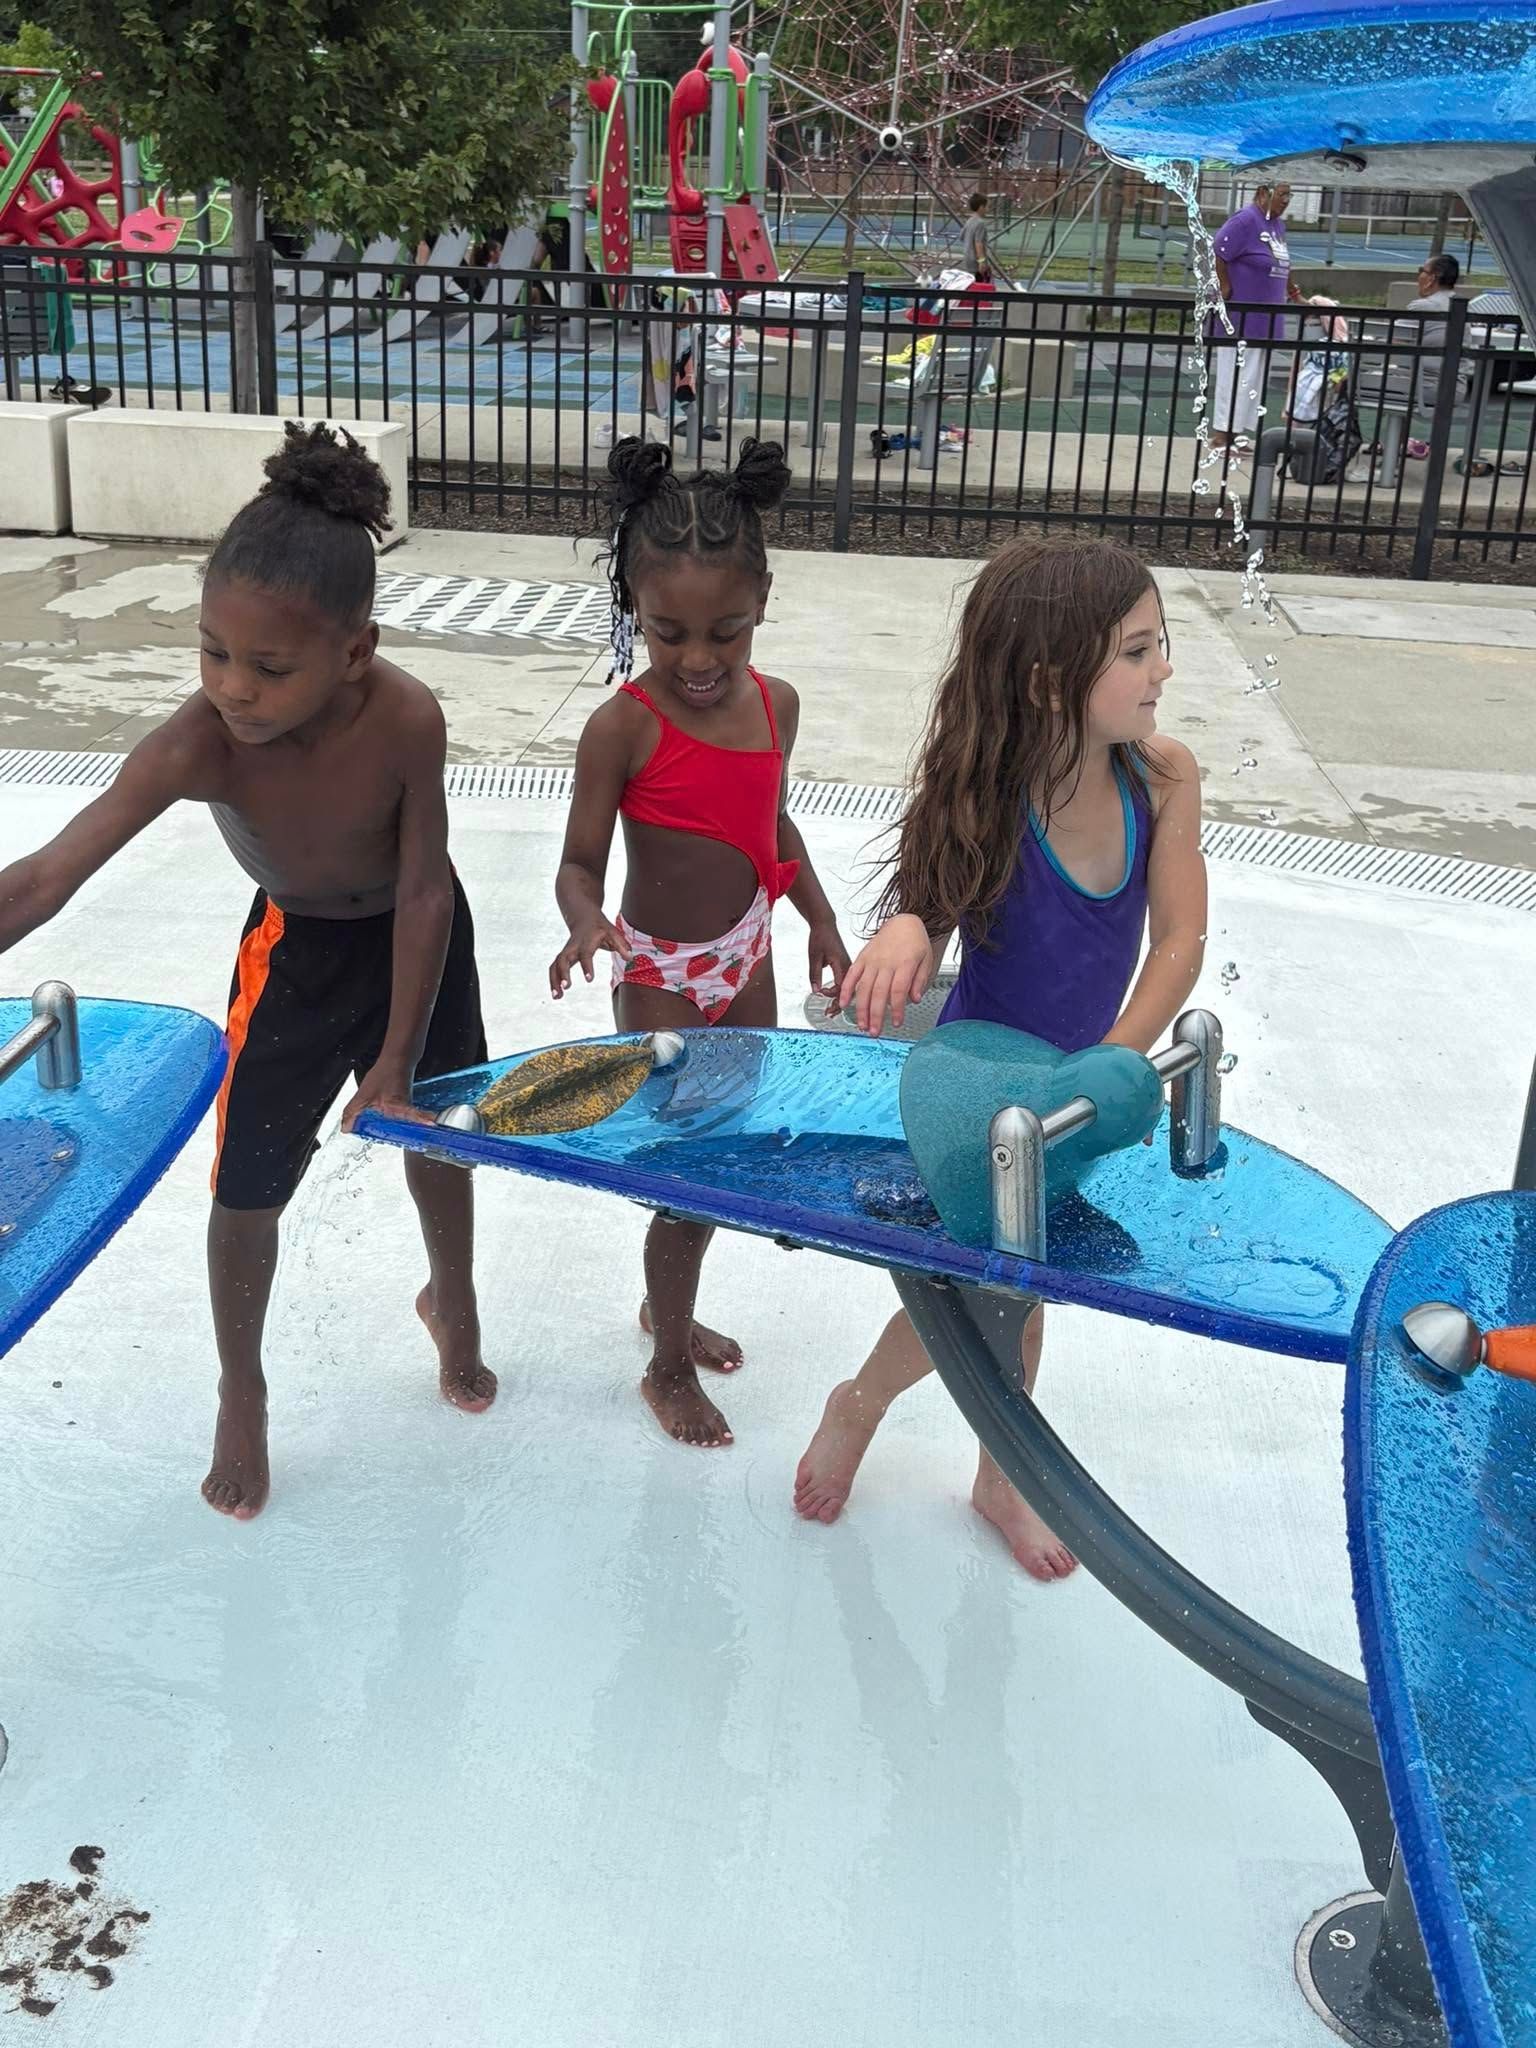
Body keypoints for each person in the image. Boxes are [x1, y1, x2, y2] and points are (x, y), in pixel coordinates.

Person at [0, 424, 495, 1521]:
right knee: (245, 1188)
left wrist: (400, 1053)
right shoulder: (199, 744)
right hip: (297, 952)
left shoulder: (409, 718)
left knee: (435, 1138)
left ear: (354, 652)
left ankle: (452, 1296)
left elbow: (423, 889)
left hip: (420, 941)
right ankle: (244, 1383)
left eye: (268, 666)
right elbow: (43, 876)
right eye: (212, 650)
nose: (232, 686)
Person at [794, 534, 1207, 1579]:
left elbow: (1180, 940)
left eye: (1162, 644)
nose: (1164, 671)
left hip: (1078, 1093)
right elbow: (934, 900)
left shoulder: (1162, 779)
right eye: (1137, 651)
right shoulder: (994, 782)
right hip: (976, 1080)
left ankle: (918, 1433)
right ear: (1047, 678)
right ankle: (921, 1435)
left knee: (1005, 1289)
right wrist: (907, 929)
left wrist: (1115, 1061)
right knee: (1000, 1289)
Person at [549, 436, 851, 1450]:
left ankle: (665, 1304)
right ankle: (666, 1362)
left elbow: (770, 827)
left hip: (747, 954)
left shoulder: (778, 705)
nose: (700, 659)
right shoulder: (621, 727)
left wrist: (819, 916)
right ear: (634, 607)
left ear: (762, 600)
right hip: (663, 975)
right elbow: (580, 860)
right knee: (689, 1168)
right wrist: (586, 921)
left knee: (723, 1153)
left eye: (727, 630)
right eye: (669, 631)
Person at [1209, 181, 1303, 452]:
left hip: (1267, 317)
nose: (1286, 200)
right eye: (1282, 194)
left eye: (1289, 194)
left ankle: (1238, 432)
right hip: (1241, 316)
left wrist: (1294, 294)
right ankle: (1221, 435)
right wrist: (1225, 286)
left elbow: (1283, 264)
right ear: (1263, 193)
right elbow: (1218, 251)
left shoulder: (1276, 226)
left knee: (1253, 378)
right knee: (1235, 374)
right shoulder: (1245, 221)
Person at [1404, 252, 1461, 452]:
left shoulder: (1423, 306)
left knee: (1349, 384)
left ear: (1432, 278)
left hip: (1425, 387)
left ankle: (1339, 445)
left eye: (1422, 271)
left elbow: (1392, 343)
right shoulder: (1460, 306)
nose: (1418, 276)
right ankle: (1400, 445)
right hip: (1456, 387)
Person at [960, 192, 991, 284]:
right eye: (987, 207)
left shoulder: (969, 221)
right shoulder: (980, 223)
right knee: (979, 287)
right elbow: (978, 243)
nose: (988, 209)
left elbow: (962, 237)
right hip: (976, 261)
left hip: (967, 259)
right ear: (981, 207)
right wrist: (982, 261)